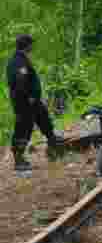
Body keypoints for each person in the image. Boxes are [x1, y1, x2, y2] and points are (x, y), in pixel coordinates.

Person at [6, 35, 62, 175]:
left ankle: (53, 142)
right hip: (24, 103)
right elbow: (20, 81)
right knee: (24, 128)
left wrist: (35, 97)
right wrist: (29, 97)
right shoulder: (17, 61)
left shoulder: (22, 59)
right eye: (31, 44)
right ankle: (19, 159)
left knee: (43, 118)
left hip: (33, 101)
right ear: (27, 45)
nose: (32, 47)